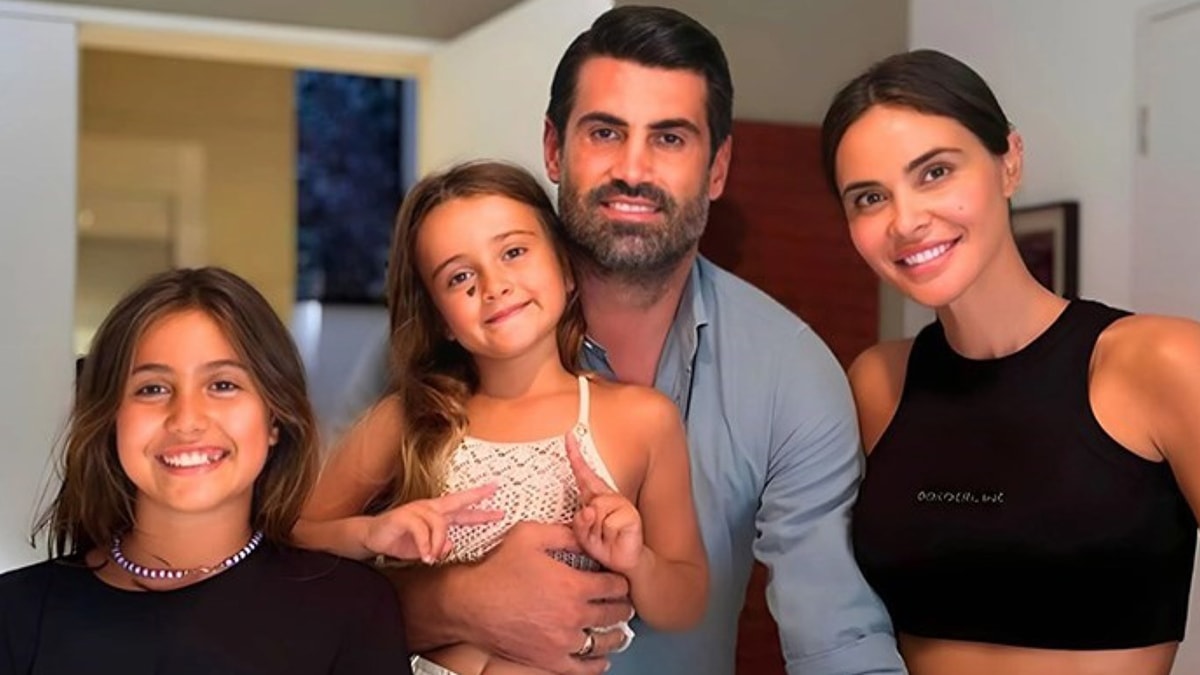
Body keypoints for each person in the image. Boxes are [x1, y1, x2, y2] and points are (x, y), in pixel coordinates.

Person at [393, 6, 905, 675]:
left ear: (717, 168)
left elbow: (835, 640)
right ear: (554, 147)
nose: (633, 169)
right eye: (606, 132)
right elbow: (303, 580)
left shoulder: (791, 373)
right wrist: (458, 601)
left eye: (669, 138)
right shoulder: (453, 331)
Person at [821, 49, 1200, 675]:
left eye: (935, 172)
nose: (906, 221)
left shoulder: (1160, 363)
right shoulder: (879, 383)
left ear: (1010, 162)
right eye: (869, 197)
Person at [295, 160, 708, 675]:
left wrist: (636, 561)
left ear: (565, 269)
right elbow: (292, 538)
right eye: (459, 277)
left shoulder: (643, 420)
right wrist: (369, 534)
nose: (494, 286)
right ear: (440, 319)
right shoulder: (409, 419)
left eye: (513, 252)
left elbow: (686, 598)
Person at [0, 267, 415, 675]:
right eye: (152, 389)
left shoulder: (350, 609)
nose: (187, 420)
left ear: (274, 418)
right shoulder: (16, 614)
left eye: (222, 385)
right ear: (111, 421)